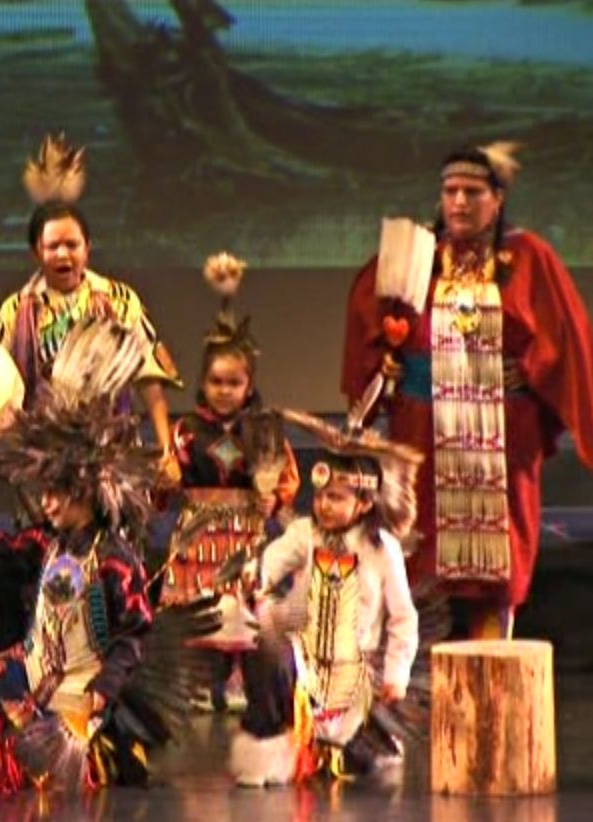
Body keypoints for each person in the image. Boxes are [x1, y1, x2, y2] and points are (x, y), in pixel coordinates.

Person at [0, 318, 208, 795]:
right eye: (45, 495)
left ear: (87, 493)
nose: (48, 504)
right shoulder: (46, 542)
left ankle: (15, 763)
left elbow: (133, 636)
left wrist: (105, 690)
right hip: (38, 669)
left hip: (83, 687)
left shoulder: (115, 560)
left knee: (47, 771)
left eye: (58, 495)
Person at [341, 143, 593, 639]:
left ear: (497, 199)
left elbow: (566, 339)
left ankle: (492, 650)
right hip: (424, 433)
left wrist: (530, 372)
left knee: (497, 562)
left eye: (472, 192)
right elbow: (370, 321)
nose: (458, 201)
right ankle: (419, 662)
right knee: (422, 551)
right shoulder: (414, 257)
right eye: (450, 190)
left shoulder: (528, 258)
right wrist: (386, 362)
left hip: (500, 438)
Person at [231, 413, 421, 786]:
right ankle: (269, 743)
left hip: (355, 671)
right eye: (320, 496)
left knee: (350, 751)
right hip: (306, 661)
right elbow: (273, 560)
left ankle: (338, 743)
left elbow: (403, 620)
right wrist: (257, 573)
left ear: (364, 503)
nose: (324, 506)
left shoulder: (383, 550)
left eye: (335, 497)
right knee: (262, 637)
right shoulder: (305, 533)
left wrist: (397, 676)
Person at [0, 135, 183, 489]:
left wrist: (166, 449)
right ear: (36, 252)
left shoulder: (119, 300)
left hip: (112, 454)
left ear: (87, 249)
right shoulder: (16, 311)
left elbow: (149, 382)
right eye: (52, 247)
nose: (63, 255)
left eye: (72, 245)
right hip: (42, 459)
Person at [165, 253, 299, 712]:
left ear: (249, 384)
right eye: (216, 382)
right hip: (197, 532)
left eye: (234, 382)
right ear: (202, 384)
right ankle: (201, 681)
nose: (225, 390)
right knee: (200, 603)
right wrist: (166, 480)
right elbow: (169, 479)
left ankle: (240, 678)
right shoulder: (188, 429)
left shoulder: (260, 428)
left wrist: (274, 498)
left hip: (245, 529)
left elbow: (285, 474)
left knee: (241, 600)